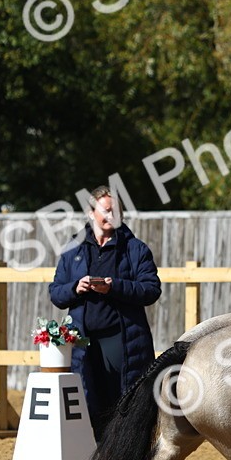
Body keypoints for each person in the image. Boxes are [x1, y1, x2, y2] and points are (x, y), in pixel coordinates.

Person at [49, 185, 161, 440]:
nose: (112, 216)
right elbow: (56, 293)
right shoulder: (73, 249)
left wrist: (115, 286)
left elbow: (151, 290)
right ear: (91, 213)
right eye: (106, 211)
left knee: (122, 404)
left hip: (121, 338)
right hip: (82, 340)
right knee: (89, 402)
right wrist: (75, 288)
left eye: (116, 211)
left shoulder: (135, 249)